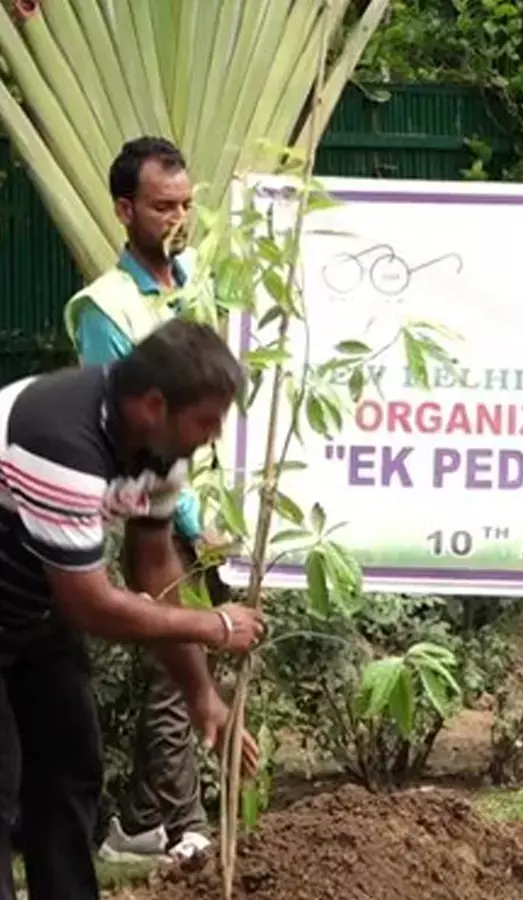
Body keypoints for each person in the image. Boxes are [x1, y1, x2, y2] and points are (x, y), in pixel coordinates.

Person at [0, 318, 263, 900]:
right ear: (153, 405)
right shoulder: (59, 438)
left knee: (69, 768)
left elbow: (154, 568)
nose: (214, 435)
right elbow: (91, 604)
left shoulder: (161, 449)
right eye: (208, 420)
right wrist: (215, 625)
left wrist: (201, 695)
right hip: (51, 597)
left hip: (34, 608)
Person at [62, 137, 222, 864]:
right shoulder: (108, 307)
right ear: (125, 210)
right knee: (172, 660)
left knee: (197, 654)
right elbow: (130, 432)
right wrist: (191, 519)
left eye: (186, 204)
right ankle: (188, 828)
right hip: (155, 511)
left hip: (212, 504)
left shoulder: (199, 284)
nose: (178, 219)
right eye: (162, 207)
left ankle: (136, 822)